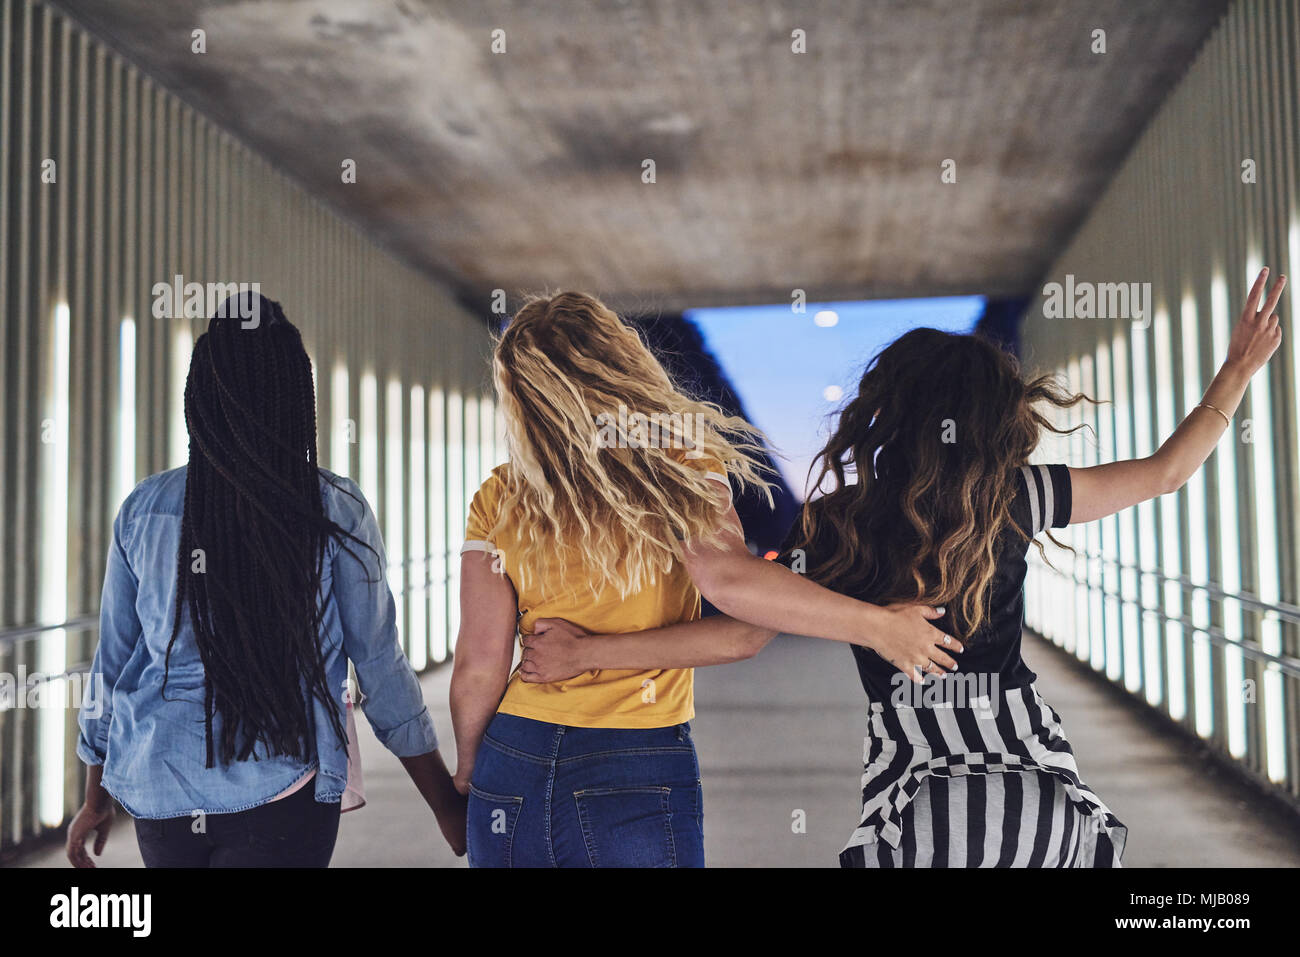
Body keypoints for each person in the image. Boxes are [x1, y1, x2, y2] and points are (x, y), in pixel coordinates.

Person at [520, 268, 1286, 867]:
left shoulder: (838, 524)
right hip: (1039, 789)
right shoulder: (1017, 495)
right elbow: (1164, 473)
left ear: (888, 412)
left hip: (915, 792)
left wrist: (590, 651)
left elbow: (739, 632)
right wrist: (1239, 370)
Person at [450, 291, 956, 868]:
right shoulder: (680, 469)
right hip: (632, 758)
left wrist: (470, 772)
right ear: (621, 363)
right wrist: (878, 627)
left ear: (522, 398)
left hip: (512, 759)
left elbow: (478, 664)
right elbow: (735, 606)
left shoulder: (498, 494)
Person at [66, 293, 466, 868]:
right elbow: (379, 666)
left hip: (160, 790)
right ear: (294, 400)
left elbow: (113, 662)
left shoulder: (145, 510)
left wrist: (95, 796)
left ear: (199, 400)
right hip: (280, 792)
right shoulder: (332, 510)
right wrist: (443, 802)